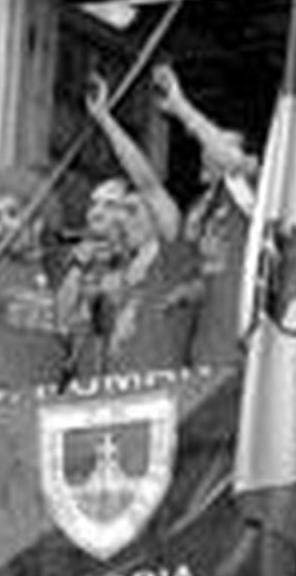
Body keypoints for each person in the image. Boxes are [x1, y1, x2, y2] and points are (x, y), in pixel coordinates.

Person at [62, 74, 201, 379]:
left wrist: (105, 120)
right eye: (122, 210)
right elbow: (67, 327)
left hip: (160, 397)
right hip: (112, 400)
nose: (125, 217)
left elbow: (147, 183)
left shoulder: (173, 256)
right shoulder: (118, 269)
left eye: (134, 209)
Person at [152, 64, 259, 367]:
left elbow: (232, 164)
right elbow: (205, 275)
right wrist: (185, 293)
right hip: (207, 347)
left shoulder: (254, 190)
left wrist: (180, 106)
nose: (210, 146)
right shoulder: (199, 210)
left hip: (249, 346)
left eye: (222, 142)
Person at [0, 167, 67, 392]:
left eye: (13, 213)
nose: (2, 225)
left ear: (39, 220)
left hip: (48, 401)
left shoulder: (60, 269)